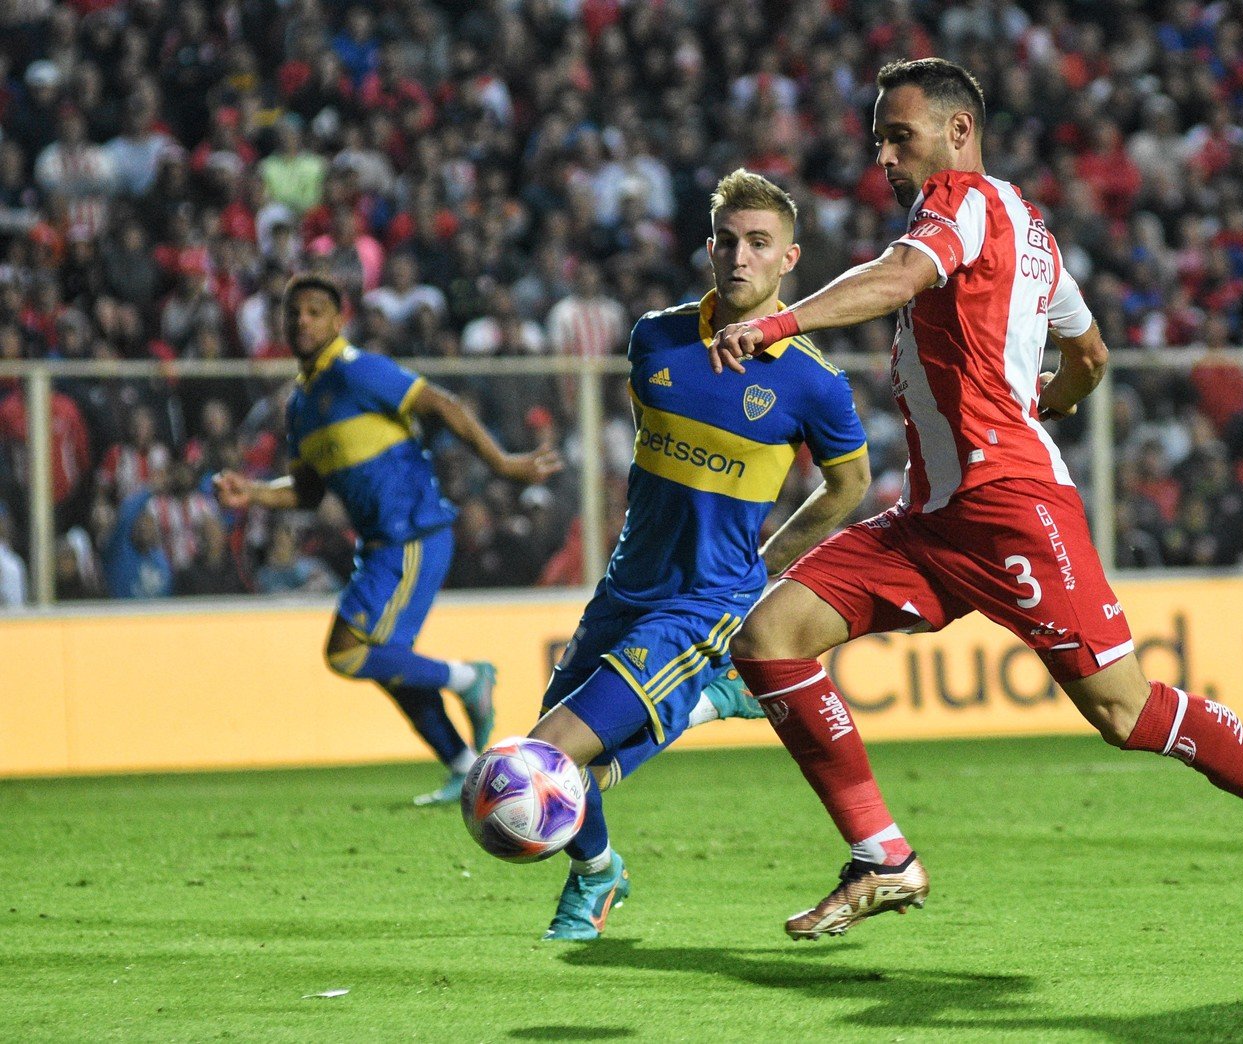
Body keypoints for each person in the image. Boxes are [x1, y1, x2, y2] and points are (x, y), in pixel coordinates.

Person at [710, 59, 1243, 941]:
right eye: (877, 138)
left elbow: (903, 276)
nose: (883, 155)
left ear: (956, 131)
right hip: (934, 519)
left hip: (1012, 507)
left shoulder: (961, 202)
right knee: (771, 636)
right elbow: (1092, 354)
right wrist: (1046, 398)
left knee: (1125, 712)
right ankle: (883, 856)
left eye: (897, 135)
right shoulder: (1030, 231)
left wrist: (774, 322)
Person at [526, 170, 872, 941]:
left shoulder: (812, 382)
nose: (739, 256)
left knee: (545, 758)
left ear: (790, 260)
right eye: (727, 241)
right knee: (555, 758)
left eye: (759, 243)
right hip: (626, 587)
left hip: (706, 602)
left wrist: (770, 565)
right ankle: (598, 870)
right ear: (707, 248)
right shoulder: (654, 335)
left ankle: (707, 684)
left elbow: (850, 485)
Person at [215, 274, 562, 805]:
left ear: (339, 320)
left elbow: (443, 405)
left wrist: (503, 464)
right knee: (390, 662)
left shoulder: (360, 371)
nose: (302, 321)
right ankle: (462, 764)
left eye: (314, 311)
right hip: (383, 545)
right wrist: (255, 494)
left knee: (348, 653)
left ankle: (469, 678)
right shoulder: (301, 404)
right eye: (294, 313)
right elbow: (308, 492)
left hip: (414, 533)